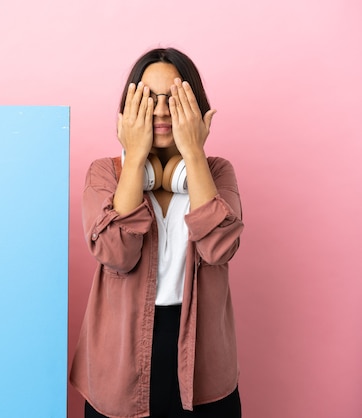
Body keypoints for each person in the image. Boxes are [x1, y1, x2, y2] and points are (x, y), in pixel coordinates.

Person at [69, 47, 244, 418]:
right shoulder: (104, 174)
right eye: (148, 99)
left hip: (203, 363)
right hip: (118, 365)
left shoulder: (217, 173)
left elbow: (218, 248)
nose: (162, 110)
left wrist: (194, 154)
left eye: (175, 98)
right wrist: (134, 158)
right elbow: (117, 254)